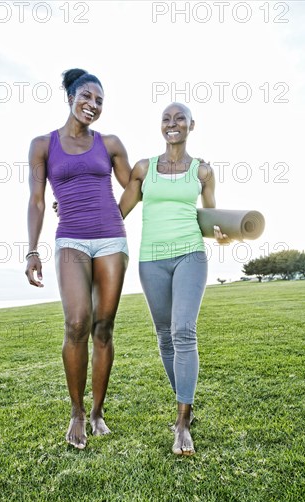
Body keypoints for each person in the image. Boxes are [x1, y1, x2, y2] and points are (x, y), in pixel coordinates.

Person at [25, 68, 131, 450]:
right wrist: (33, 249)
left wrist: (114, 215)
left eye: (100, 100)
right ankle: (76, 411)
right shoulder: (43, 145)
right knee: (76, 322)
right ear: (70, 97)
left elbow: (133, 186)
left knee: (103, 327)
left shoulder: (111, 143)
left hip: (111, 242)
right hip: (70, 239)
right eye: (87, 96)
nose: (93, 105)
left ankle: (98, 411)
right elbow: (37, 201)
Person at [119, 102, 230, 456]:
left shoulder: (202, 172)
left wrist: (220, 233)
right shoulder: (143, 168)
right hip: (151, 260)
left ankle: (182, 421)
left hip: (189, 255)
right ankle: (187, 403)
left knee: (184, 330)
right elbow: (117, 212)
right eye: (166, 119)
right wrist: (77, 208)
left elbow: (210, 217)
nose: (172, 124)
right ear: (160, 127)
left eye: (179, 118)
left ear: (191, 125)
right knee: (165, 337)